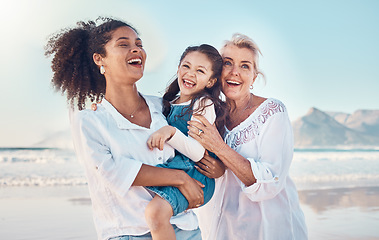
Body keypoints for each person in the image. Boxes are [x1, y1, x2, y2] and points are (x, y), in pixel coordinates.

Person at [45, 17, 204, 240]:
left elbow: (195, 152)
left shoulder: (163, 107)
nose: (136, 50)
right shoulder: (90, 120)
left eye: (139, 44)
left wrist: (213, 164)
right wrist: (180, 178)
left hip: (186, 229)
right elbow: (112, 172)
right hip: (128, 233)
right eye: (124, 44)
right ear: (100, 59)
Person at [187, 33, 308, 240]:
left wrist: (219, 147)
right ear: (216, 72)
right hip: (222, 228)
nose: (235, 72)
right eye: (228, 63)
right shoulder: (210, 113)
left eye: (245, 66)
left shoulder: (273, 112)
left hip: (268, 229)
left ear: (254, 77)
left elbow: (270, 181)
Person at [144, 44, 227, 240]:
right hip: (176, 171)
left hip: (196, 176)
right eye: (186, 66)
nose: (190, 74)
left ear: (211, 81)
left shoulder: (204, 104)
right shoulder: (168, 104)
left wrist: (171, 132)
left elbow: (198, 153)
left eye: (200, 71)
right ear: (178, 68)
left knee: (155, 213)